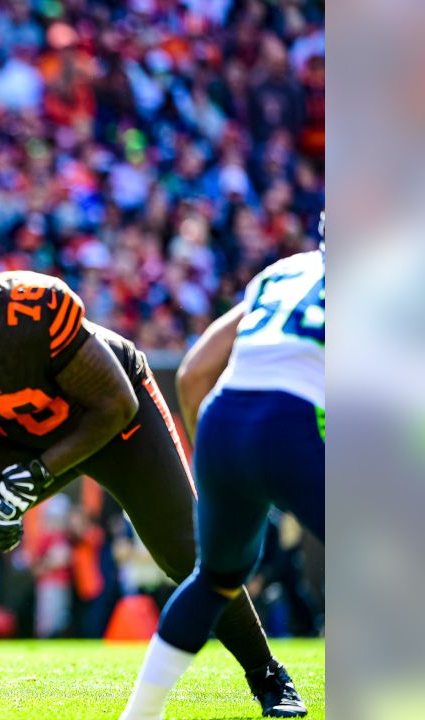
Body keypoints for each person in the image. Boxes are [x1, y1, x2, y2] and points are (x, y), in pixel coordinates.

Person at [0, 226, 306, 717]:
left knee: (187, 554)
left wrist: (37, 475)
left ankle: (269, 676)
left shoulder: (35, 309)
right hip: (24, 424)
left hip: (114, 420)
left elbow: (115, 403)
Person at [120, 241, 324, 720]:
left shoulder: (284, 272)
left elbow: (193, 374)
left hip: (221, 420)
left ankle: (140, 714)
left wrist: (221, 467)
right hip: (292, 422)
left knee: (214, 580)